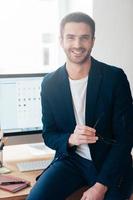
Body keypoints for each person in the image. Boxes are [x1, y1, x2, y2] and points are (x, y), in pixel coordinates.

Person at [27, 12, 133, 200]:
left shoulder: (114, 78)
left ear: (92, 40)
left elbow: (126, 138)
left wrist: (100, 187)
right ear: (61, 40)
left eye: (84, 38)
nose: (77, 45)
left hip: (109, 163)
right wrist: (70, 139)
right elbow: (49, 134)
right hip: (72, 161)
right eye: (71, 37)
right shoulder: (49, 83)